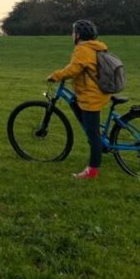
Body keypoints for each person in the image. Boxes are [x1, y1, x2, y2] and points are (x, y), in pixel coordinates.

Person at [47, 19, 110, 179]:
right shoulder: (96, 47)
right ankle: (97, 140)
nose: (71, 35)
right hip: (98, 92)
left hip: (91, 97)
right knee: (75, 102)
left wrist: (56, 76)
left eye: (73, 32)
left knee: (93, 135)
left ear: (79, 35)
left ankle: (92, 170)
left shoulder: (83, 49)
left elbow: (74, 69)